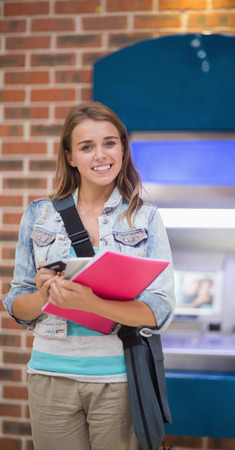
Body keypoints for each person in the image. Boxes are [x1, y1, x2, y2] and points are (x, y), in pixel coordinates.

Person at [3, 101, 175, 450]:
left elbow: (160, 310)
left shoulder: (146, 218)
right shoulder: (39, 215)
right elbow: (16, 306)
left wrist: (93, 303)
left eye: (110, 143)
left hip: (118, 380)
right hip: (50, 378)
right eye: (87, 146)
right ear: (70, 156)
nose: (101, 155)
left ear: (123, 149)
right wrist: (43, 297)